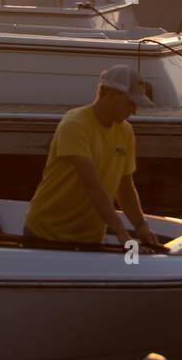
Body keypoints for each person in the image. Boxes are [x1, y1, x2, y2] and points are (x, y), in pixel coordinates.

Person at [23, 65, 162, 249]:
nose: (134, 111)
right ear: (111, 93)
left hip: (89, 240)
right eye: (131, 103)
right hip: (47, 235)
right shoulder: (75, 124)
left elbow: (125, 187)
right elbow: (92, 186)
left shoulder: (126, 131)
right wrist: (123, 234)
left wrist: (140, 225)